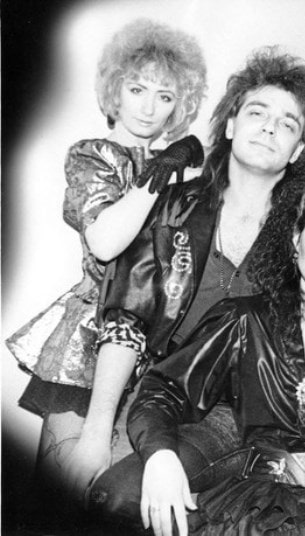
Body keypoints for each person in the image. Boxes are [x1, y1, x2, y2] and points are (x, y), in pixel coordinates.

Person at [86, 49, 305, 527]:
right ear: (230, 126)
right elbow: (127, 319)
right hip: (161, 390)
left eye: (287, 123)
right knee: (112, 495)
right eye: (257, 113)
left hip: (240, 412)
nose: (269, 128)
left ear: (299, 149)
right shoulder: (174, 206)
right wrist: (97, 432)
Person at [118, 172, 305, 536]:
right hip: (257, 503)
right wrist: (161, 455)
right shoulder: (244, 318)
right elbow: (163, 390)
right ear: (295, 237)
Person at [5, 17, 207, 504]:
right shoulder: (94, 155)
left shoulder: (176, 175)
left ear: (178, 107)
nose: (149, 107)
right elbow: (105, 242)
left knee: (110, 501)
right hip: (88, 339)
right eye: (137, 89)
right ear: (115, 91)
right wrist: (159, 174)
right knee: (62, 492)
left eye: (165, 96)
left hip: (150, 351)